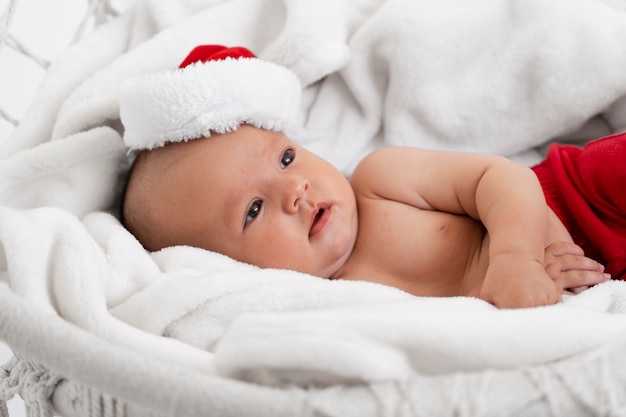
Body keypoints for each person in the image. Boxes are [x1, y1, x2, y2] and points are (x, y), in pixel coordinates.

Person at [119, 45, 622, 309]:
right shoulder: (327, 308)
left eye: (286, 160)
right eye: (253, 210)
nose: (295, 191)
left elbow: (500, 178)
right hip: (588, 280)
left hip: (577, 199)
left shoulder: (379, 181)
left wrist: (516, 258)